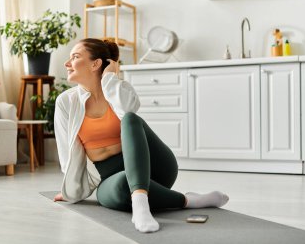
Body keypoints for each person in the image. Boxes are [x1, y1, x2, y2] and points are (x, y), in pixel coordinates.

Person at [53, 38, 229, 233]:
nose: (67, 63)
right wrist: (70, 187)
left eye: (75, 57)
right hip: (110, 176)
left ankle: (140, 205)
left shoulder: (120, 88)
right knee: (121, 188)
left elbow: (130, 111)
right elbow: (66, 152)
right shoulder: (66, 102)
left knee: (129, 119)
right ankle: (191, 200)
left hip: (155, 166)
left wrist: (110, 80)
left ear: (96, 64)